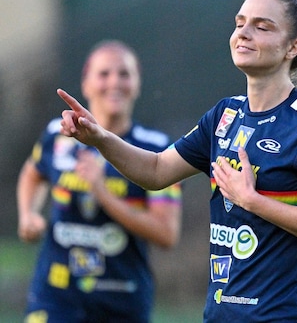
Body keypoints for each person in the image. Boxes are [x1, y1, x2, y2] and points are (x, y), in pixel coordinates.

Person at [56, 0, 297, 322]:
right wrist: (100, 139)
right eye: (240, 23)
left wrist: (252, 201)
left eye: (262, 27)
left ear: (293, 47)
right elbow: (155, 171)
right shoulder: (225, 116)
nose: (243, 33)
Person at [17, 40, 183, 323]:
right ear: (86, 83)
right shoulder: (56, 136)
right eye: (104, 74)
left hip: (121, 299)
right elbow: (33, 173)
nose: (114, 82)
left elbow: (166, 234)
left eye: (124, 74)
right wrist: (28, 214)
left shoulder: (156, 151)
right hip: (56, 295)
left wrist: (102, 192)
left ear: (138, 84)